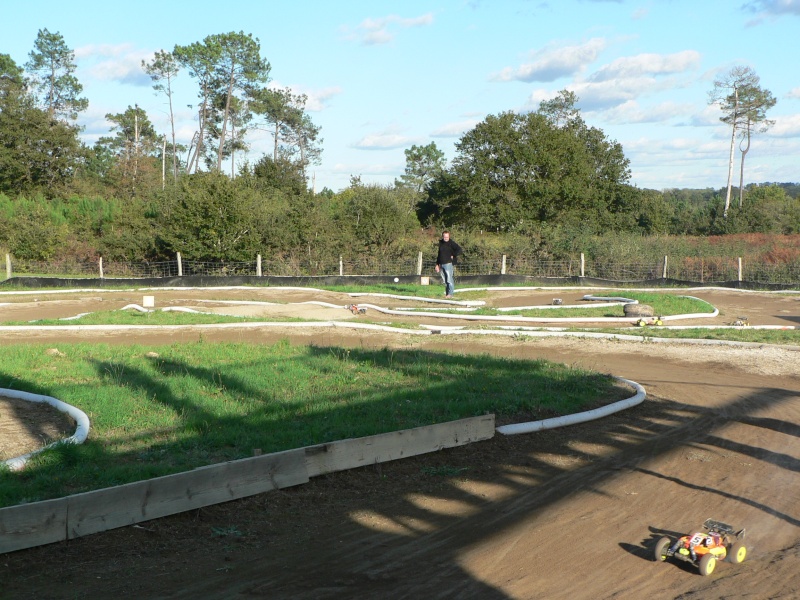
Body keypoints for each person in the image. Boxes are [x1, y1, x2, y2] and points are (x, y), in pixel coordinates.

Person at [435, 230, 463, 299]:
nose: (446, 238)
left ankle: (450, 294)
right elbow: (439, 254)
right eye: (445, 237)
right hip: (441, 263)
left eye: (447, 237)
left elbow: (459, 249)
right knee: (445, 280)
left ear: (449, 236)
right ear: (443, 236)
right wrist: (437, 264)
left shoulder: (451, 243)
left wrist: (454, 255)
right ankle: (447, 294)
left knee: (449, 280)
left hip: (448, 264)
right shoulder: (441, 243)